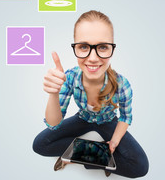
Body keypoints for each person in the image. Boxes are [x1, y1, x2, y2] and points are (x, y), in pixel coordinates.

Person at [33, 10, 149, 178]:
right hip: (83, 119)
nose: (93, 58)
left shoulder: (122, 84)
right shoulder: (70, 77)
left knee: (140, 166)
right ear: (75, 47)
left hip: (108, 122)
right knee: (40, 145)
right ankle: (97, 156)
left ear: (112, 49)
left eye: (102, 47)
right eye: (84, 47)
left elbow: (125, 117)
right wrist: (53, 93)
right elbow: (53, 124)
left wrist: (115, 141)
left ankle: (75, 157)